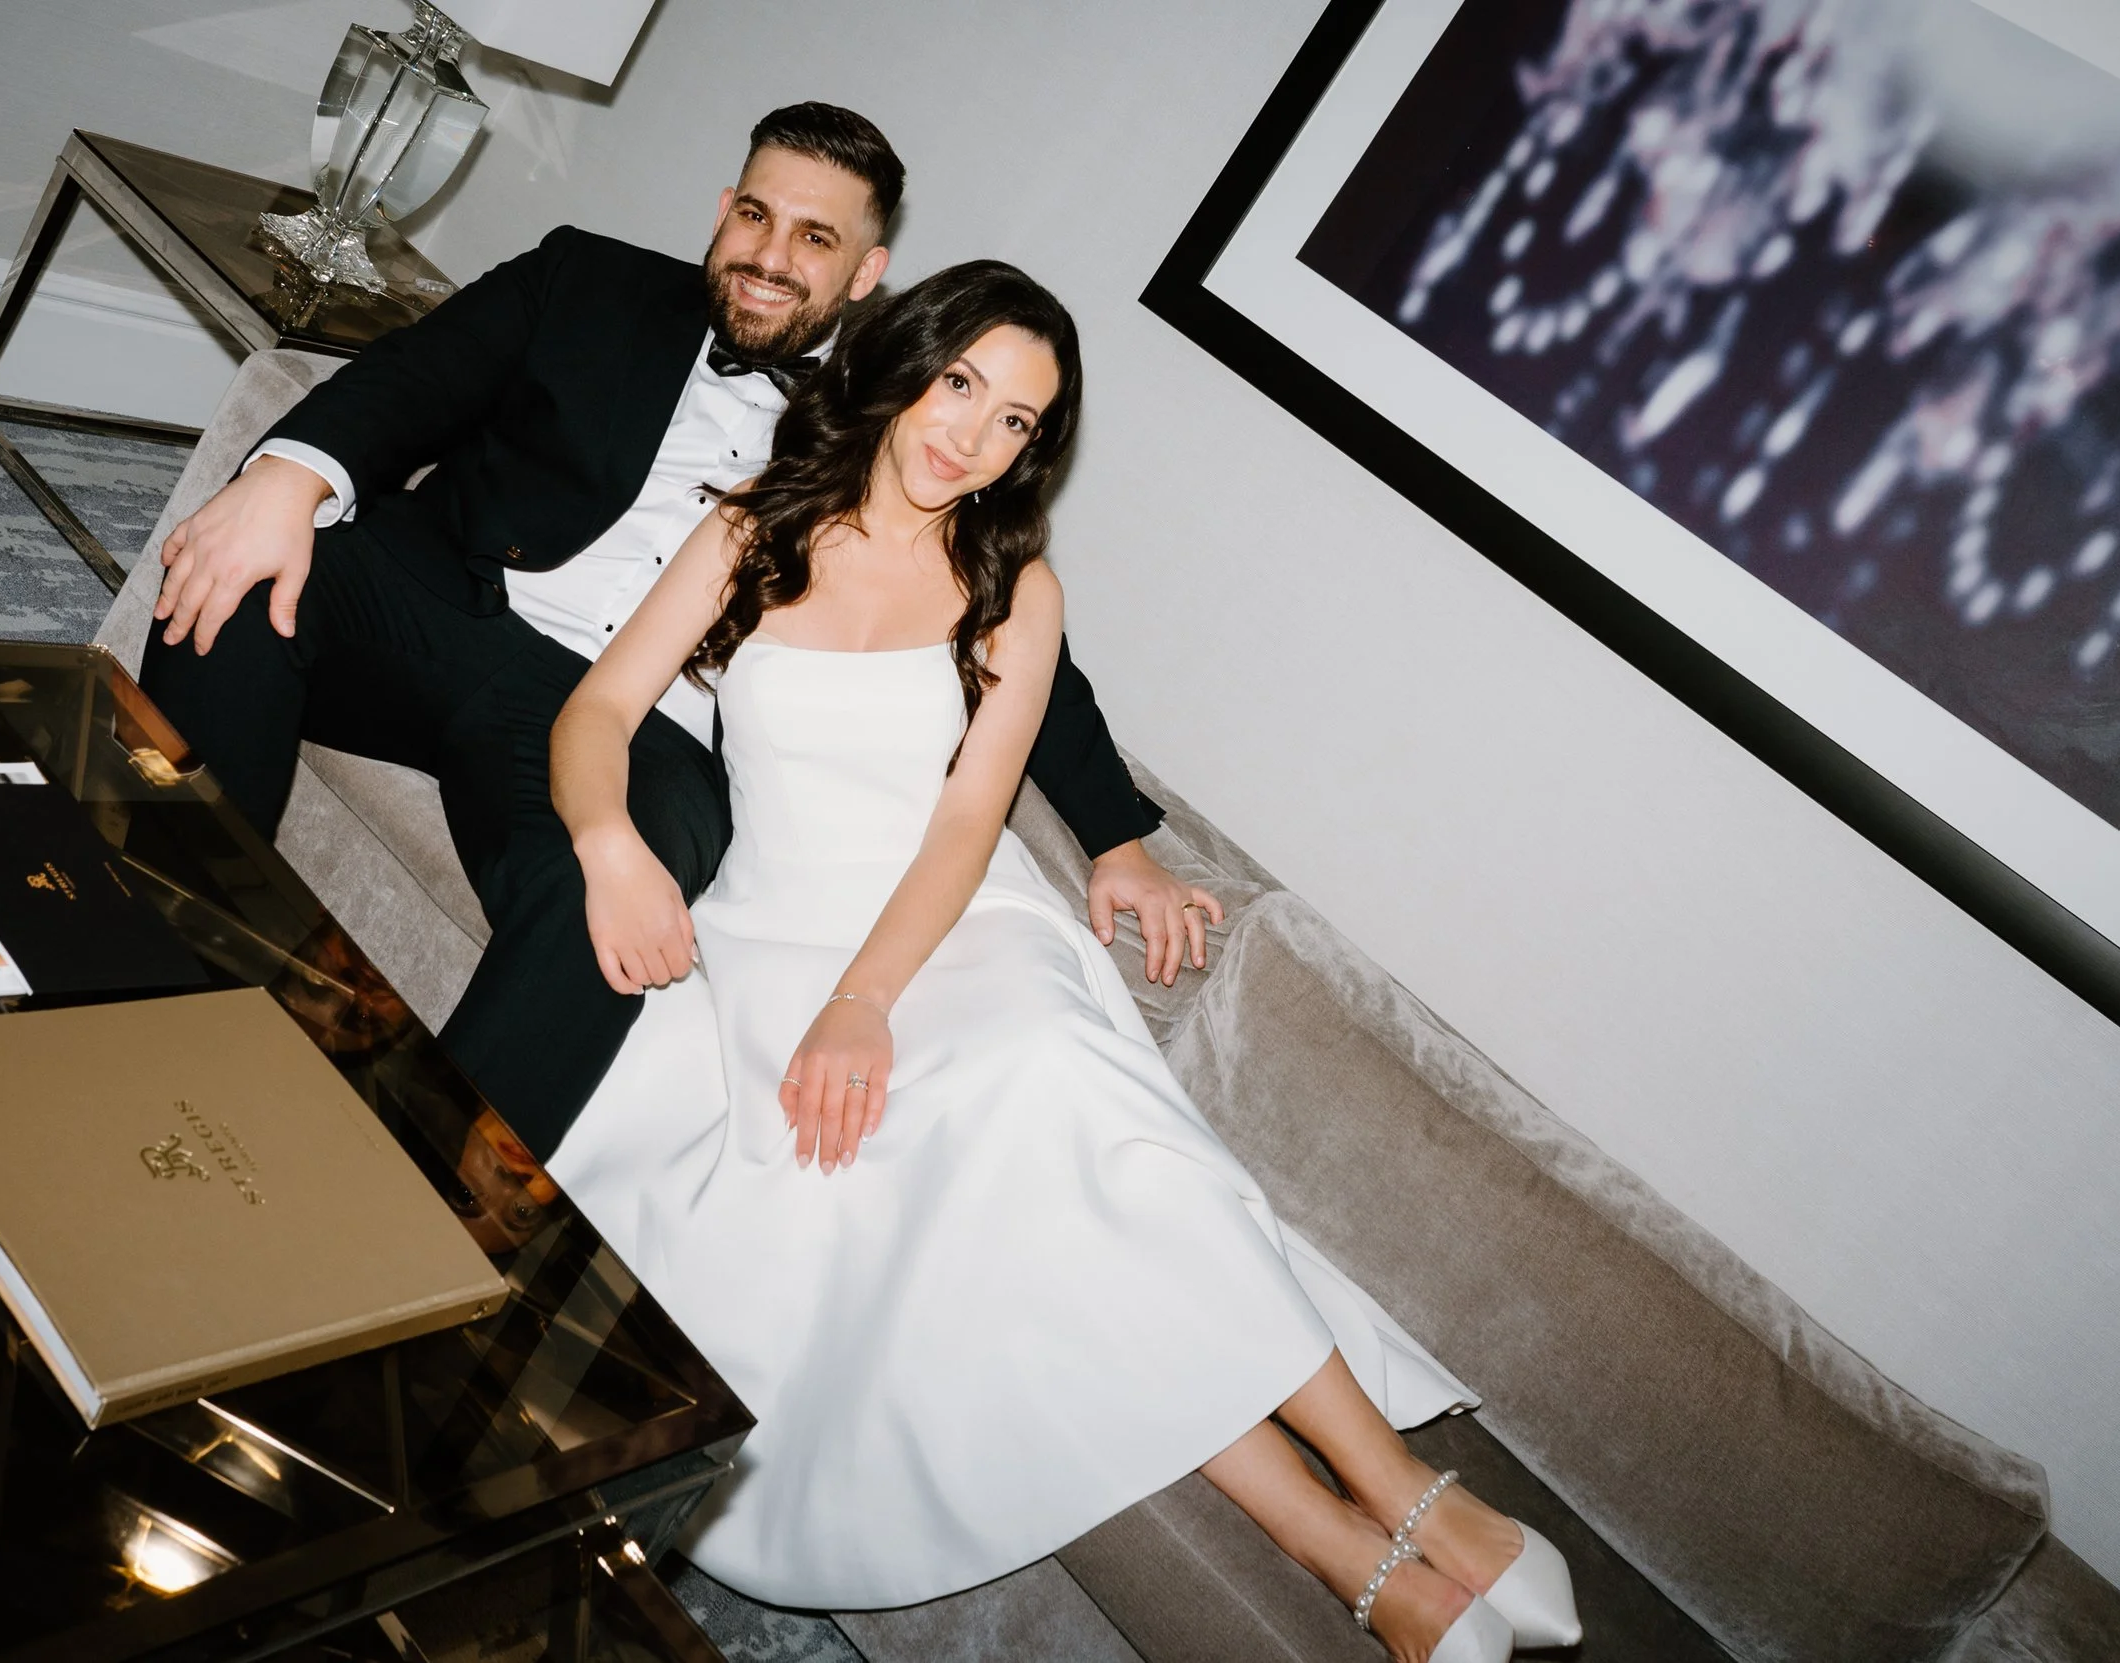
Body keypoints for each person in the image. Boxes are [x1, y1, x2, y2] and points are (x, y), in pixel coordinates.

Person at [545, 264, 1583, 1662]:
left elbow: (969, 819)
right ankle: (1355, 1547)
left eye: (1017, 421)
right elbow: (600, 705)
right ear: (906, 363)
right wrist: (610, 841)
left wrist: (867, 999)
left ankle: (1405, 1494)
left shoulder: (1012, 586)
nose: (971, 435)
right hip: (773, 931)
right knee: (990, 1197)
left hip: (957, 924)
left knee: (1041, 1083)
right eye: (962, 383)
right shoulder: (750, 530)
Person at [138, 103, 1215, 1160]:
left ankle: (416, 1217)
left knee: (610, 911)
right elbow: (414, 374)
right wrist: (286, 475)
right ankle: (156, 963)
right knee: (235, 576)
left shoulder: (898, 409)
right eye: (755, 215)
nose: (770, 257)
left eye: (815, 238)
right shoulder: (587, 279)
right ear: (722, 208)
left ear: (865, 272)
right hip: (454, 608)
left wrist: (1117, 842)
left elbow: (1003, 629)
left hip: (655, 728)